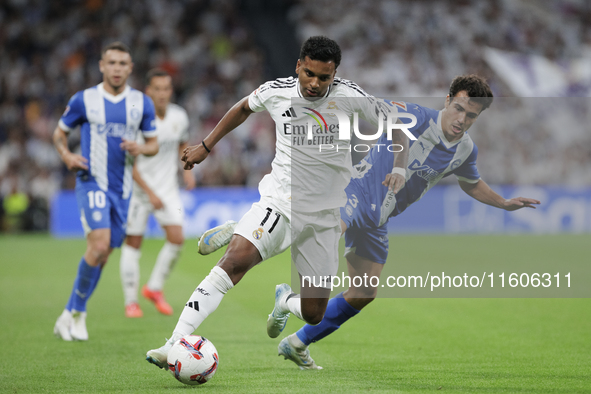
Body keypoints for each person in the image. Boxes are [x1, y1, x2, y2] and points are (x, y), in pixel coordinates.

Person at [145, 36, 409, 369]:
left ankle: (283, 299)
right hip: (281, 202)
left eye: (323, 78)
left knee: (314, 314)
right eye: (309, 73)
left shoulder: (350, 97)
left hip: (326, 215)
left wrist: (400, 166)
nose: (314, 83)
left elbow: (396, 123)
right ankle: (173, 344)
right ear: (299, 65)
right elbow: (242, 107)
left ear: (335, 74)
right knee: (234, 263)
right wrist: (206, 146)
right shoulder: (277, 91)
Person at [277, 75, 541, 369]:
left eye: (470, 116)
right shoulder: (416, 115)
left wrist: (503, 203)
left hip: (379, 219)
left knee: (363, 293)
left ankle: (297, 342)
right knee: (322, 242)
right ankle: (280, 285)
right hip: (356, 191)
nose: (461, 119)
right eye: (458, 108)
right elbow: (385, 115)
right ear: (447, 100)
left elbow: (471, 182)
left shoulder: (466, 149)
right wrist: (398, 166)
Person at [53, 42, 158, 341]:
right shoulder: (84, 100)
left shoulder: (141, 103)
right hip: (92, 181)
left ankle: (69, 313)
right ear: (101, 66)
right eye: (111, 63)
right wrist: (67, 157)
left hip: (122, 190)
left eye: (122, 64)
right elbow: (59, 134)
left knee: (105, 254)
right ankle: (79, 314)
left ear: (130, 68)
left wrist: (142, 147)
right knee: (98, 246)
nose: (116, 69)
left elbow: (153, 144)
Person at [119, 69, 195, 318]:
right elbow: (128, 164)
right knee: (134, 243)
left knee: (177, 238)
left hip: (167, 189)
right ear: (148, 91)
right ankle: (131, 301)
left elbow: (182, 143)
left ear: (170, 91)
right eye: (157, 89)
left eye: (166, 89)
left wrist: (187, 169)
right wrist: (149, 192)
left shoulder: (179, 116)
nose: (162, 94)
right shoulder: (137, 120)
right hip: (139, 191)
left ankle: (153, 288)